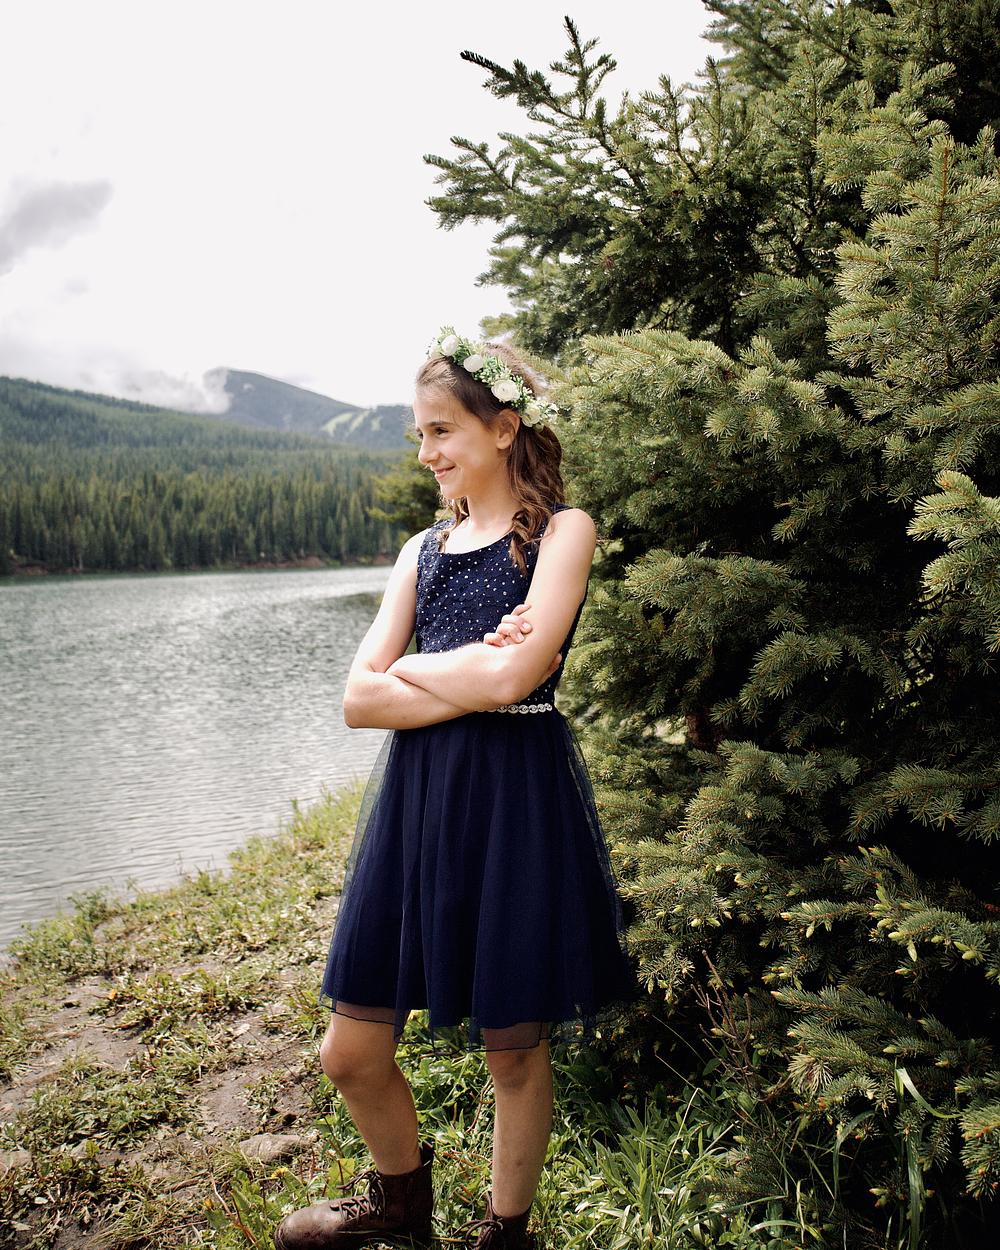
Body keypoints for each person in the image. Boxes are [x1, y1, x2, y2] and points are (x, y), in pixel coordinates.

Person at [275, 328, 633, 1250]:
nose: (427, 453)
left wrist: (420, 670)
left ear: (504, 427)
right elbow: (358, 700)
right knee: (350, 1052)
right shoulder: (421, 551)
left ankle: (505, 1234)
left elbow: (517, 680)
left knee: (513, 1048)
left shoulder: (562, 534)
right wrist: (470, 665)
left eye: (442, 431)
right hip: (418, 803)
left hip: (516, 802)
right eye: (420, 436)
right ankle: (402, 1206)